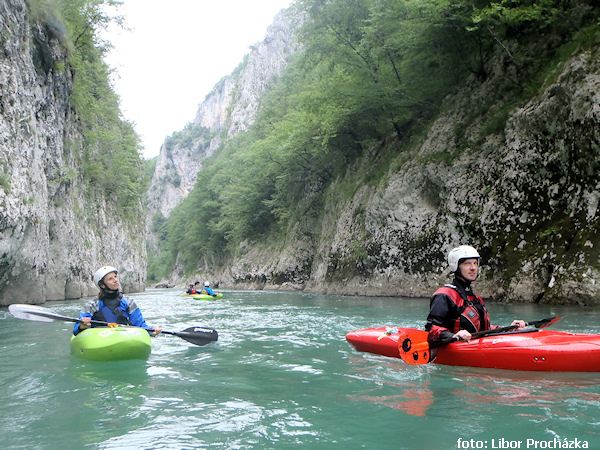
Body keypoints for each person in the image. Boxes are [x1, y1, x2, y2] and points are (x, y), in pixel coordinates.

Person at [425, 245, 525, 342]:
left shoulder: (476, 299)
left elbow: (484, 330)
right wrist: (454, 336)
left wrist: (510, 328)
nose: (473, 268)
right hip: (453, 349)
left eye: (475, 263)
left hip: (475, 347)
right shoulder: (443, 295)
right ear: (456, 266)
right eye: (467, 264)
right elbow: (431, 327)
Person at [73, 266, 162, 336]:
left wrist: (151, 330)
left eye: (115, 277)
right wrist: (82, 327)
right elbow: (77, 330)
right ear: (102, 285)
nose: (115, 280)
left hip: (122, 337)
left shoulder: (128, 302)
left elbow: (140, 326)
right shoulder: (92, 305)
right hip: (100, 339)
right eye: (110, 278)